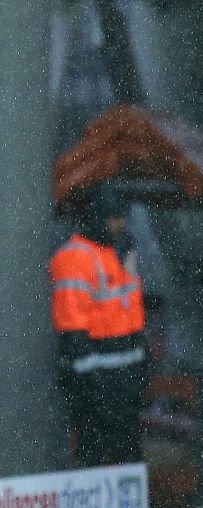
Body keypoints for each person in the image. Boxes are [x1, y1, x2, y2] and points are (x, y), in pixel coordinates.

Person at [50, 189, 147, 468]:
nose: (121, 225)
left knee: (123, 448)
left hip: (120, 375)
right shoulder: (77, 257)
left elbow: (130, 310)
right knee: (94, 448)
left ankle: (125, 507)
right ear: (99, 219)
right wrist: (92, 383)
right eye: (115, 219)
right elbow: (72, 326)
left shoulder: (117, 251)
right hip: (99, 378)